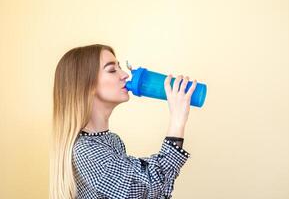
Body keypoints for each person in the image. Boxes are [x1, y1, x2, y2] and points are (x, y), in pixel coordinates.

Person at [50, 44, 197, 199]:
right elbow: (149, 187)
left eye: (120, 67)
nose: (125, 75)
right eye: (112, 70)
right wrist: (177, 120)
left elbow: (152, 192)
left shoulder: (112, 141)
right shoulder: (85, 151)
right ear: (86, 85)